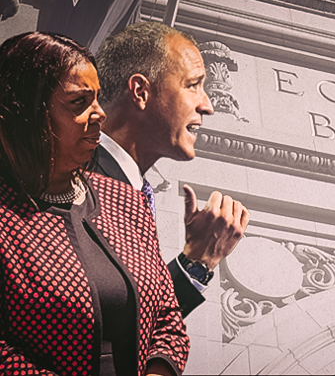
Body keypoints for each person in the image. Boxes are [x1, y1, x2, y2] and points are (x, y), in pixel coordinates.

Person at [0, 32, 188, 375]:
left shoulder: (126, 200)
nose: (99, 113)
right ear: (24, 112)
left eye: (98, 98)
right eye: (79, 102)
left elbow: (166, 315)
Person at [93, 21, 250, 317]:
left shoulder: (131, 189)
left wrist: (197, 261)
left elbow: (129, 325)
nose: (208, 106)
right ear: (140, 92)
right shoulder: (63, 180)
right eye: (193, 86)